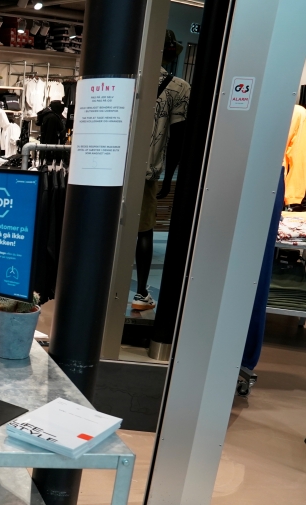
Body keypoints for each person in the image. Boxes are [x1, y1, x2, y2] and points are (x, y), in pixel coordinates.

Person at [133, 30, 190, 312]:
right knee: (144, 230)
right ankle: (141, 292)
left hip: (111, 168)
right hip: (147, 171)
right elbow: (178, 138)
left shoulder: (127, 81)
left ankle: (102, 285)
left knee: (109, 229)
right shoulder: (179, 88)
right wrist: (169, 177)